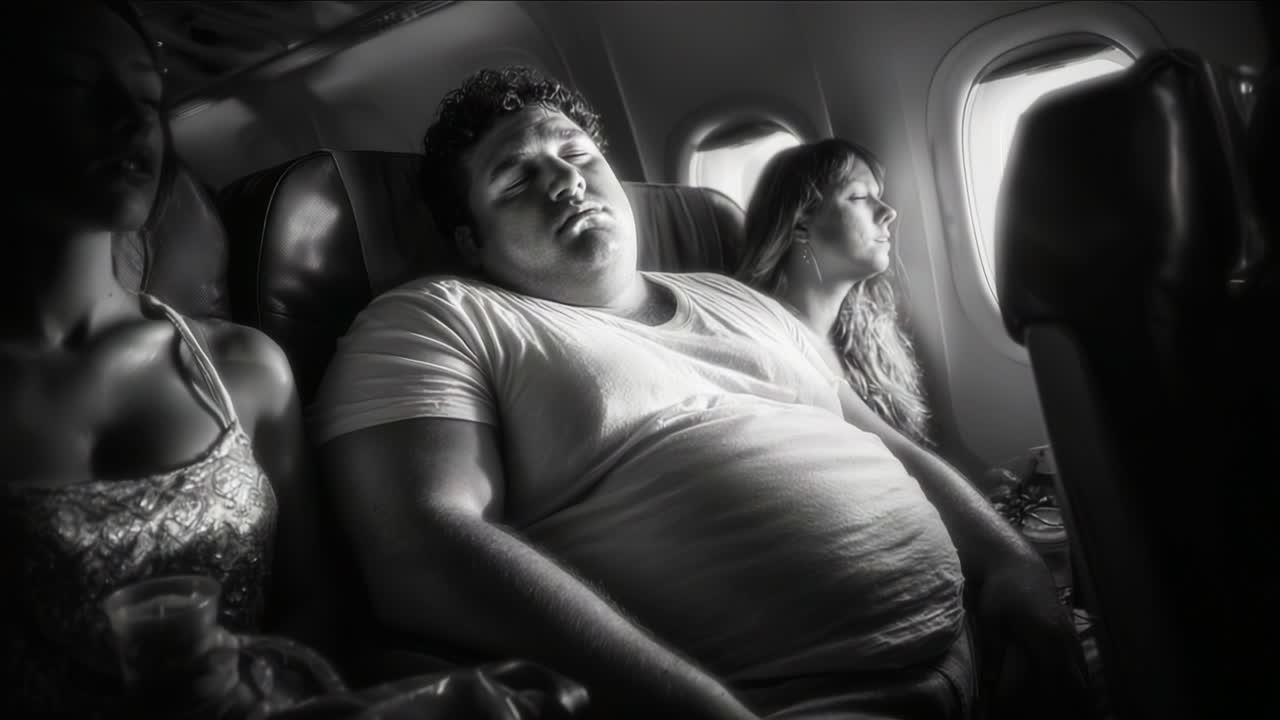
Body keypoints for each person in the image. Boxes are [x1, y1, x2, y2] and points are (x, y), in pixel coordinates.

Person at [310, 65, 1092, 720]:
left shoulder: (736, 298)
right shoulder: (441, 318)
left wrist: (1013, 568)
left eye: (578, 155)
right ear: (470, 239)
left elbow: (882, 444)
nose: (566, 183)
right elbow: (422, 549)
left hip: (982, 645)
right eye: (517, 178)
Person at [1, 1, 334, 714]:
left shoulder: (244, 368)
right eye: (72, 85)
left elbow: (318, 604)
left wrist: (251, 683)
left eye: (149, 97)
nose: (131, 118)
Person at [736, 139, 932, 446]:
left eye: (877, 197)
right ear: (800, 223)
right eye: (858, 197)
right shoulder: (766, 349)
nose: (889, 212)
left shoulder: (864, 337)